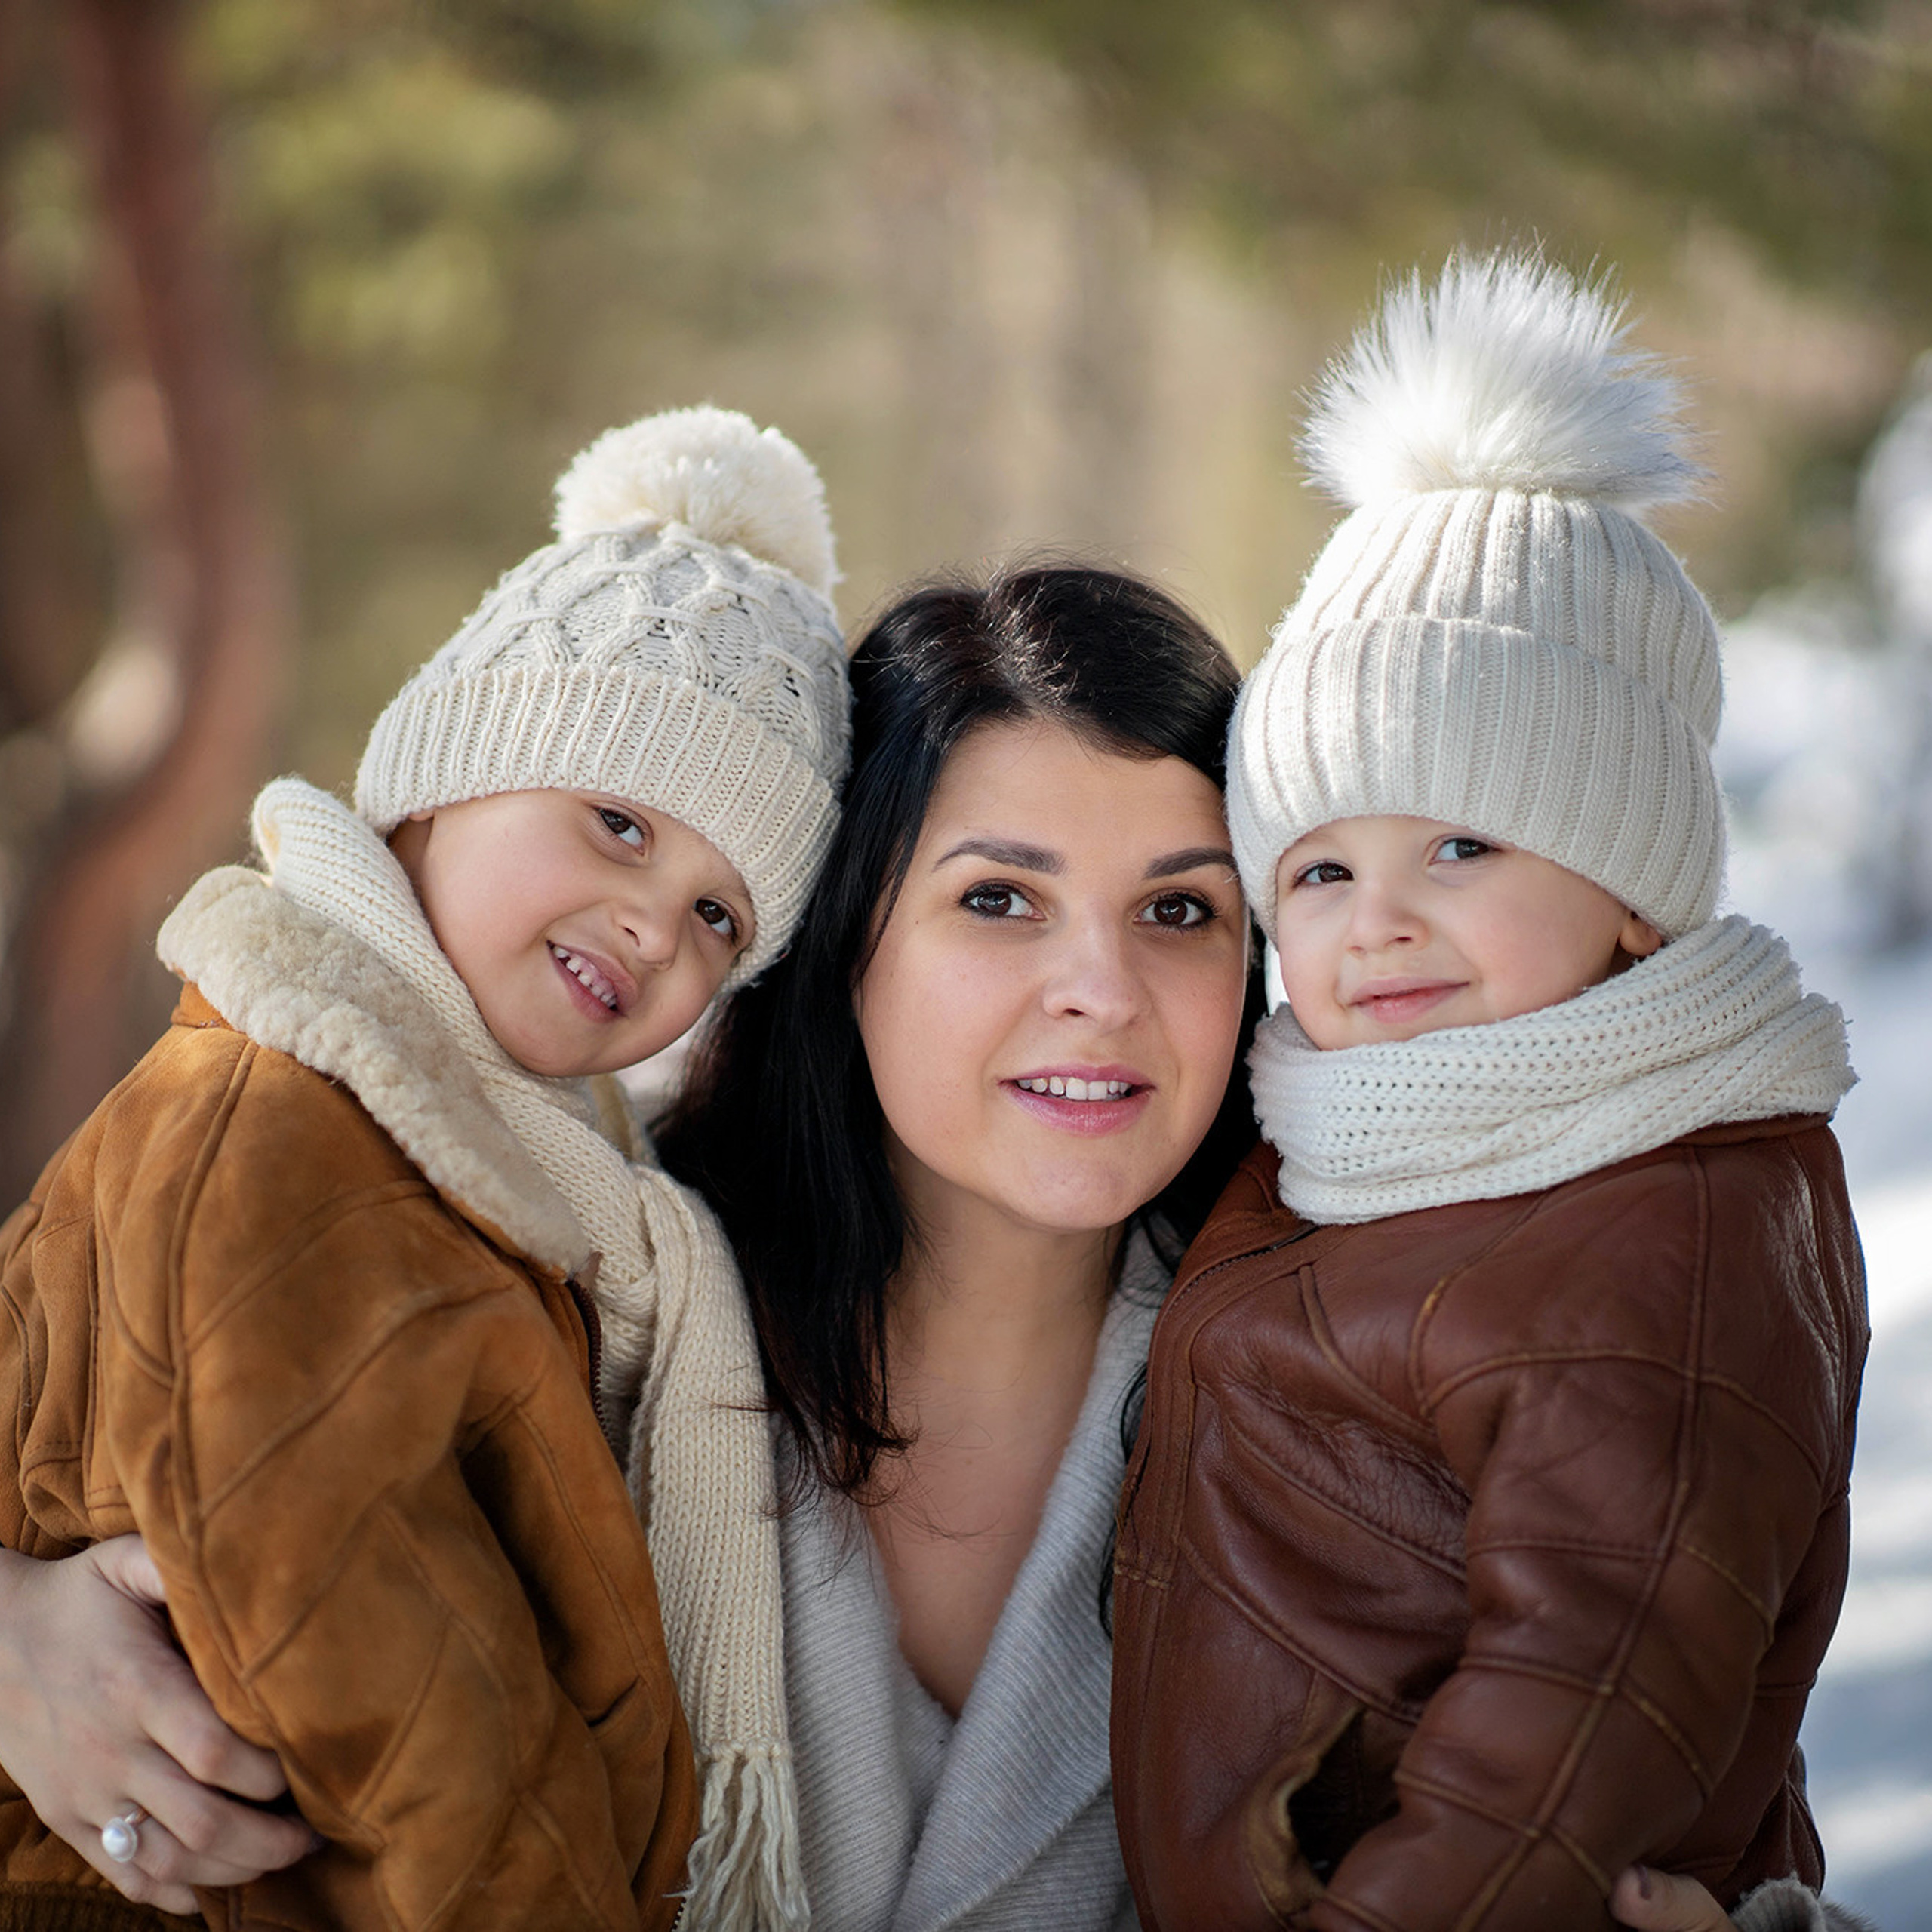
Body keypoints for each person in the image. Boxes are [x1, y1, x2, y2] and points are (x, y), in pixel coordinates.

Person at [0, 557, 1805, 1932]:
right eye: (995, 899)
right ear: (836, 938)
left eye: (1178, 909)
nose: (1099, 989)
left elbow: (1681, 1801)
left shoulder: (1395, 1383)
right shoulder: (558, 1291)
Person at [0, 405, 852, 1929]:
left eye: (721, 915)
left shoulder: (527, 1187)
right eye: (615, 820)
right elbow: (394, 1708)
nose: (655, 922)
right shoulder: (280, 1145)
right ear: (449, 776)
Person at [1109, 253, 1867, 1932]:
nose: (1375, 917)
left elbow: (1579, 1712)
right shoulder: (1366, 1134)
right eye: (1314, 866)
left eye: (1459, 843)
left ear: (1626, 887)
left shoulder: (1656, 1220)